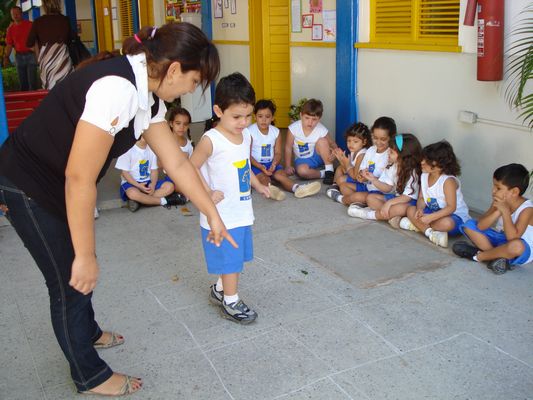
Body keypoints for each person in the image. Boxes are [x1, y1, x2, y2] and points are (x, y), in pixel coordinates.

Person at [0, 23, 232, 397]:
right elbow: (79, 178)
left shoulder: (148, 96)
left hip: (55, 182)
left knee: (76, 267)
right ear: (173, 69)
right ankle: (89, 375)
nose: (192, 89)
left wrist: (212, 212)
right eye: (193, 80)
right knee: (70, 281)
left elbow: (177, 163)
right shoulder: (118, 88)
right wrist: (87, 255)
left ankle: (86, 332)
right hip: (28, 182)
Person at [191, 72, 271, 325]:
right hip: (220, 214)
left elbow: (245, 164)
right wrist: (206, 192)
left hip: (241, 210)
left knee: (235, 257)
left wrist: (258, 184)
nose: (243, 122)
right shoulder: (211, 140)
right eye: (237, 116)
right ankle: (231, 300)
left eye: (247, 116)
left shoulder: (246, 135)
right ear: (218, 110)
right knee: (230, 258)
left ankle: (219, 289)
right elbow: (190, 167)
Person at [453, 163, 532, 274]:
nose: (493, 191)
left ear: (514, 192)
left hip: (520, 248)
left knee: (516, 246)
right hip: (500, 240)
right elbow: (481, 226)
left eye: (498, 187)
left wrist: (505, 212)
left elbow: (513, 237)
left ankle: (479, 256)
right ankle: (497, 258)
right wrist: (497, 211)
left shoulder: (527, 209)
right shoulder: (498, 200)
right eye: (494, 186)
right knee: (469, 225)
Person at [400, 140, 470, 248]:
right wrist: (419, 210)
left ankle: (417, 226)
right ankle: (429, 233)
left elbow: (451, 207)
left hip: (453, 216)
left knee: (447, 223)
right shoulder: (424, 175)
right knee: (410, 210)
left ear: (439, 165)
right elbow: (422, 198)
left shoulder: (448, 181)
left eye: (427, 161)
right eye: (423, 158)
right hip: (433, 212)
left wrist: (431, 217)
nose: (422, 162)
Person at [249, 99, 321, 200]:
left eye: (267, 116)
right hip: (256, 165)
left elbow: (278, 153)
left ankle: (298, 189)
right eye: (260, 116)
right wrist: (260, 167)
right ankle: (272, 190)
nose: (264, 120)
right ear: (255, 116)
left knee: (281, 176)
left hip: (271, 164)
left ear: (273, 117)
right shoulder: (250, 132)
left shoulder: (276, 132)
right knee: (264, 178)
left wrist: (274, 164)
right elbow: (247, 155)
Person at [347, 133, 422, 228]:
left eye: (391, 152)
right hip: (395, 198)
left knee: (400, 208)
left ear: (403, 155)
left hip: (407, 202)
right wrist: (373, 179)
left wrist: (389, 203)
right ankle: (392, 217)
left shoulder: (413, 172)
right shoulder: (392, 166)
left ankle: (370, 215)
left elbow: (407, 197)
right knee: (371, 198)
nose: (387, 153)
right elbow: (387, 188)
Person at [327, 116, 396, 208]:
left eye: (383, 139)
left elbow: (387, 184)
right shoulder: (371, 150)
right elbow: (361, 170)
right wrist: (361, 175)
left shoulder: (391, 155)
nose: (378, 142)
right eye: (375, 138)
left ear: (391, 137)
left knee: (356, 196)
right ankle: (359, 202)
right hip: (367, 186)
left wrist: (368, 177)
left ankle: (343, 199)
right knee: (344, 186)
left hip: (379, 191)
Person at [115, 136, 183, 212]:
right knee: (132, 193)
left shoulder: (151, 149)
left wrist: (153, 184)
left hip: (148, 182)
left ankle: (140, 201)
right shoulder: (127, 149)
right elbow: (125, 173)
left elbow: (154, 170)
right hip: (132, 183)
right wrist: (138, 186)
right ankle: (164, 201)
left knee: (169, 186)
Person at [284, 98, 338, 185]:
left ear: (319, 119)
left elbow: (332, 143)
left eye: (314, 119)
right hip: (302, 159)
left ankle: (329, 170)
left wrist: (335, 151)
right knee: (302, 172)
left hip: (319, 157)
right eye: (307, 118)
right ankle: (324, 173)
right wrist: (287, 166)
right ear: (301, 115)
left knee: (322, 141)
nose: (310, 122)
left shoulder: (321, 129)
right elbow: (288, 147)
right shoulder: (293, 128)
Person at [26, 0, 73, 89]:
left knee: (49, 90)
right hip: (63, 60)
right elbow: (70, 41)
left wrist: (40, 53)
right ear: (58, 4)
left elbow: (29, 43)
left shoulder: (38, 22)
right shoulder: (65, 20)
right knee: (65, 88)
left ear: (44, 6)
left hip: (46, 62)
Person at [326, 121, 371, 197]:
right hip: (353, 174)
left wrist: (345, 162)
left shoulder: (362, 155)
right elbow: (347, 168)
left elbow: (354, 176)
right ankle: (335, 186)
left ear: (364, 142)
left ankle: (356, 197)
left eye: (355, 141)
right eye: (349, 141)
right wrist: (341, 159)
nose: (351, 144)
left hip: (361, 182)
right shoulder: (354, 150)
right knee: (339, 168)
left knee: (341, 180)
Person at [3, 6, 38, 91]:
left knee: (32, 83)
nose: (15, 15)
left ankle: (33, 103)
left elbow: (37, 40)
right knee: (23, 84)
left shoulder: (30, 24)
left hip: (31, 55)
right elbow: (9, 45)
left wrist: (38, 55)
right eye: (13, 14)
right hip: (19, 57)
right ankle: (25, 103)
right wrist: (6, 57)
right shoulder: (10, 29)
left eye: (17, 13)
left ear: (21, 14)